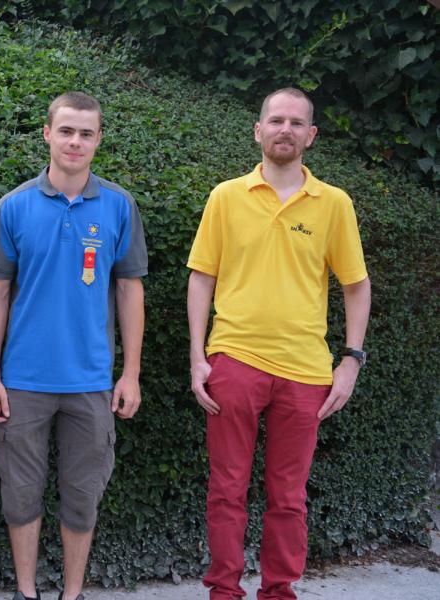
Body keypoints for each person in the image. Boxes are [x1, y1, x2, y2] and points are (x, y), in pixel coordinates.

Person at [186, 87, 371, 600]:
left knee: (288, 496)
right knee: (227, 489)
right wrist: (198, 357)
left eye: (296, 122)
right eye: (276, 120)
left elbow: (356, 285)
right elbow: (201, 277)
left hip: (306, 371)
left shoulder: (334, 203)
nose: (284, 129)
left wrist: (351, 359)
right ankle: (224, 589)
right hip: (235, 360)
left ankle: (278, 591)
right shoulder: (226, 196)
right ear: (258, 130)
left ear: (310, 135)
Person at [0, 91, 147, 600]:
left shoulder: (119, 205)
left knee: (82, 497)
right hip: (23, 381)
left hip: (92, 381)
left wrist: (131, 374)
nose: (76, 141)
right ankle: (26, 592)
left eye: (86, 133)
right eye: (67, 130)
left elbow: (130, 290)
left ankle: (72, 594)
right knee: (20, 495)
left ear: (99, 140)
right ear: (47, 134)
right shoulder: (13, 206)